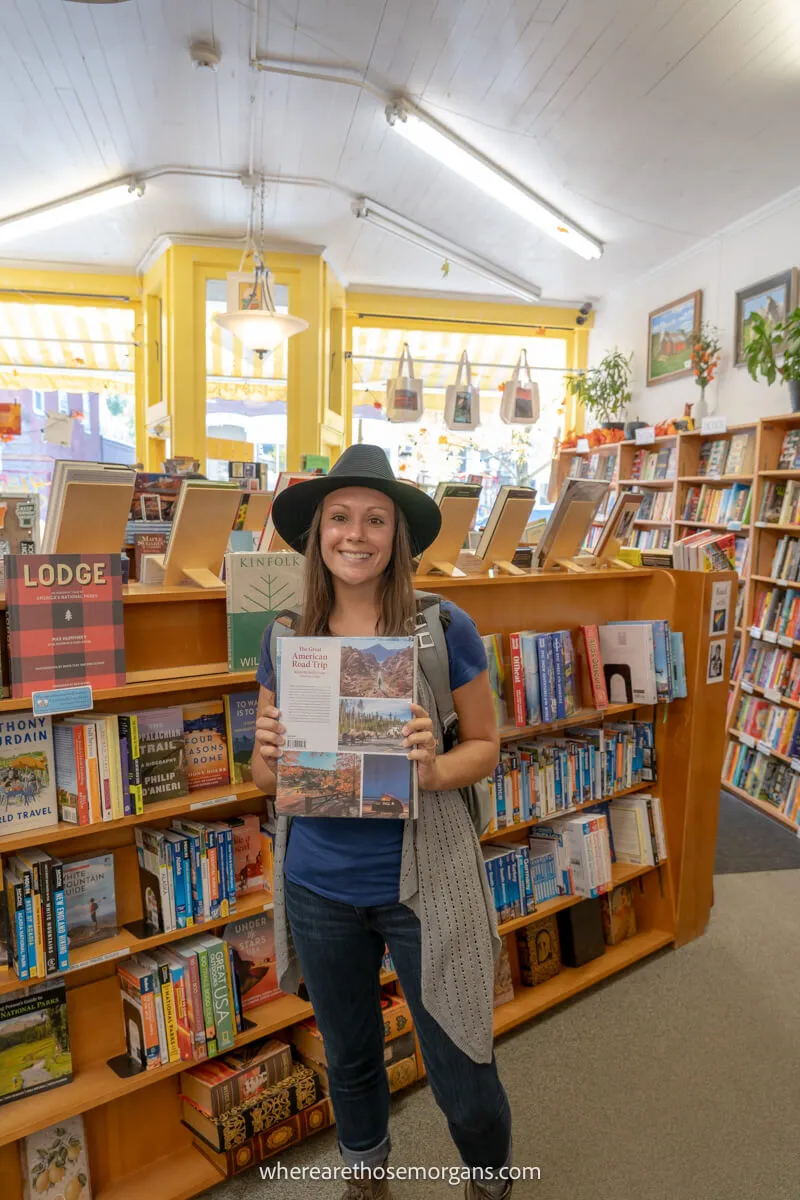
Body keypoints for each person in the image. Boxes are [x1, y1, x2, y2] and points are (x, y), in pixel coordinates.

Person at [251, 444, 513, 1200]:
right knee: (350, 1053)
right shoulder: (285, 638)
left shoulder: (440, 627)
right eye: (339, 518)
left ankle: (491, 1180)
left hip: (423, 881)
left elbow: (487, 749)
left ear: (397, 536)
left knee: (461, 1061)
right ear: (316, 534)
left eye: (375, 519)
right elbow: (269, 781)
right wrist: (264, 755)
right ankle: (366, 1176)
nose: (355, 534)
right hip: (318, 886)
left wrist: (434, 766)